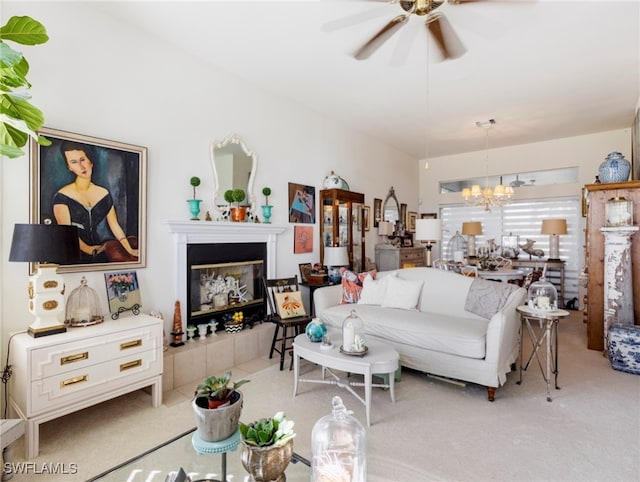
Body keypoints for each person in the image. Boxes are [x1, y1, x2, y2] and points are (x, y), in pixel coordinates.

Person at [52, 140, 138, 263]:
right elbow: (67, 233)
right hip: (74, 253)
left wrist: (129, 250)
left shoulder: (104, 193)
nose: (81, 167)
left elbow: (114, 225)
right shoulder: (61, 197)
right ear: (69, 167)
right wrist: (90, 250)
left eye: (82, 159)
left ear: (90, 161)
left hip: (100, 251)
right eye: (74, 162)